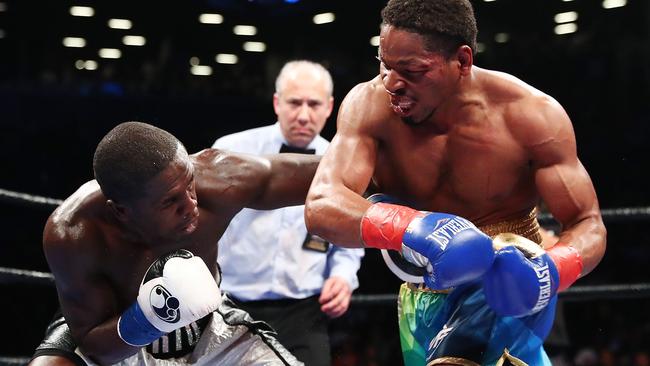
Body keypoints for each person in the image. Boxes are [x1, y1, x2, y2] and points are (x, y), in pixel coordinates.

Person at [304, 0, 607, 365]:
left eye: (412, 70)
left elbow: (587, 223)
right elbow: (321, 203)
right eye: (384, 64)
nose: (391, 83)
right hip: (421, 296)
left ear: (462, 61)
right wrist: (412, 226)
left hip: (506, 286)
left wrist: (552, 269)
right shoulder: (369, 106)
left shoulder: (530, 115)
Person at [31, 121, 323, 365]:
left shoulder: (219, 179)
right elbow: (94, 345)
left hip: (208, 326)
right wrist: (151, 318)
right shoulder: (74, 233)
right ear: (121, 211)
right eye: (170, 201)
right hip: (114, 332)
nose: (191, 205)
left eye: (190, 185)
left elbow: (329, 176)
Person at [212, 60, 364, 366]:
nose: (304, 115)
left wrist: (343, 276)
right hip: (231, 307)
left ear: (329, 107)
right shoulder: (230, 151)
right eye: (295, 103)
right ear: (277, 103)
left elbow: (351, 229)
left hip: (303, 312)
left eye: (314, 104)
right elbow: (203, 225)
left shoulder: (345, 163)